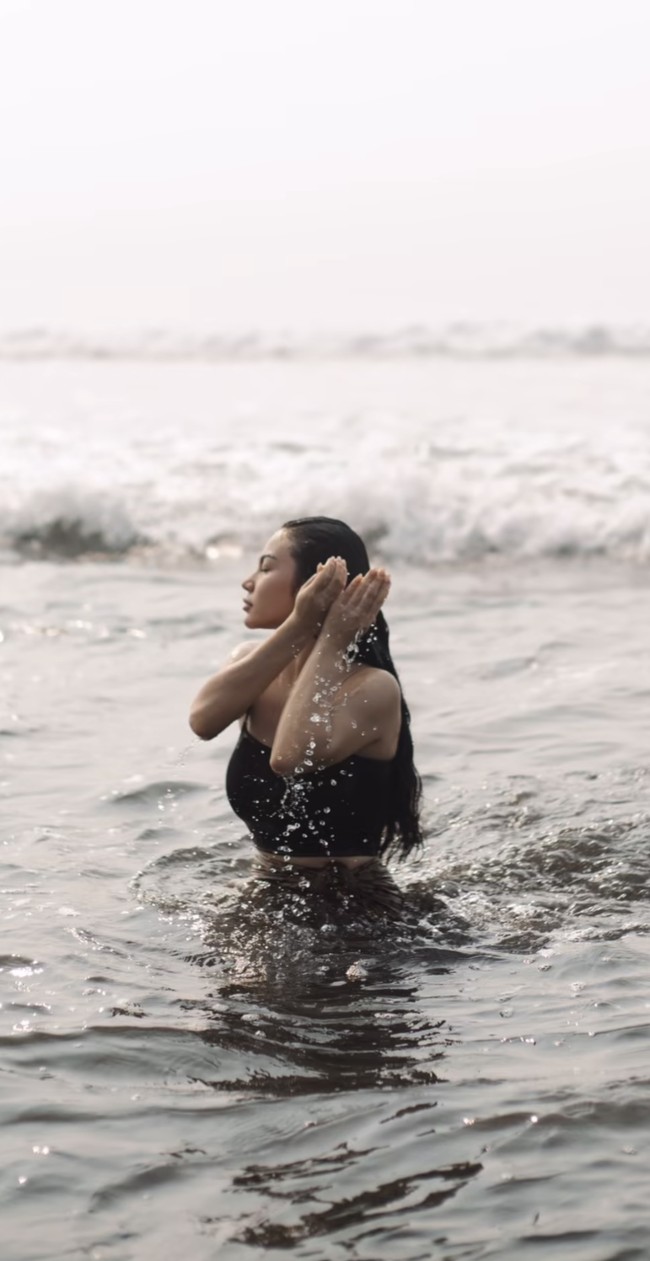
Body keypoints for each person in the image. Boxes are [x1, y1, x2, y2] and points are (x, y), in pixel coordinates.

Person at [189, 516, 423, 914]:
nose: (248, 582)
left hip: (354, 902)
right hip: (269, 884)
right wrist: (300, 624)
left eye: (265, 567)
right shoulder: (252, 666)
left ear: (315, 583)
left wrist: (330, 639)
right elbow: (203, 721)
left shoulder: (373, 688)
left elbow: (290, 757)